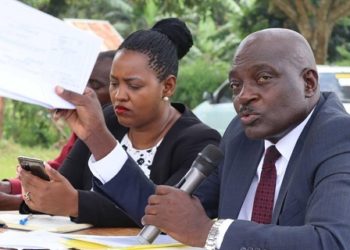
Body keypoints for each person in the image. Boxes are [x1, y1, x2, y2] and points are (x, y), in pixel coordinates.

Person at [48, 27, 350, 249]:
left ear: (309, 83)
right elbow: (167, 213)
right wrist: (98, 138)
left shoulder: (338, 137)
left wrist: (210, 232)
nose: (244, 96)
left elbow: (333, 241)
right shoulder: (241, 136)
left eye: (263, 78)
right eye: (235, 85)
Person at [18, 18, 221, 227]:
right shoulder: (109, 120)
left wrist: (76, 203)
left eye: (133, 85)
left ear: (168, 86)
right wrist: (38, 190)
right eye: (114, 83)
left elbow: (165, 215)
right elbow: (64, 185)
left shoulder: (201, 142)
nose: (119, 95)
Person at [0, 50, 115, 210]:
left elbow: (75, 193)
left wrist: (13, 201)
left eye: (96, 85)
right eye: (83, 84)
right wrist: (8, 187)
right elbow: (62, 174)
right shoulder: (85, 129)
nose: (86, 92)